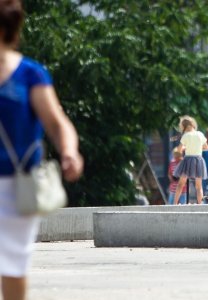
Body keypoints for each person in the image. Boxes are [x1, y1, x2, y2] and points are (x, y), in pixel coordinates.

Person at [0, 1, 84, 299]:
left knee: (12, 266)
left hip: (17, 188)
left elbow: (57, 122)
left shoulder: (30, 74)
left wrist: (69, 152)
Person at [173, 116, 208, 205]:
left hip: (188, 160)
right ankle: (200, 204)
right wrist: (197, 147)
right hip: (198, 160)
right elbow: (206, 147)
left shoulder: (186, 135)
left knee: (181, 184)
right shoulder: (200, 134)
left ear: (184, 126)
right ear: (193, 124)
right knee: (199, 186)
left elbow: (179, 150)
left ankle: (175, 203)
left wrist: (185, 147)